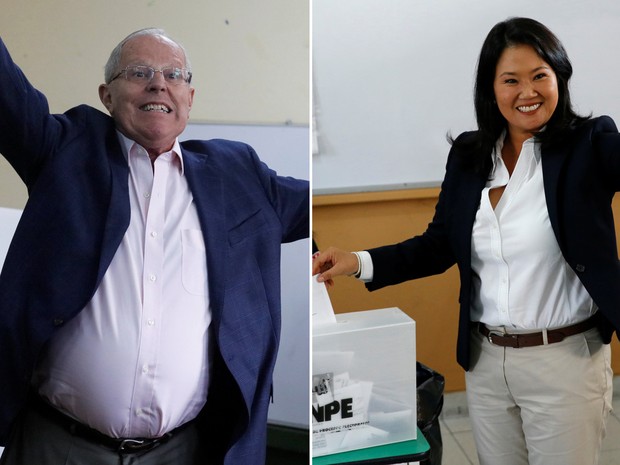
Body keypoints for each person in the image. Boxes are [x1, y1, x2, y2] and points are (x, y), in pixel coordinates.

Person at [313, 17, 619, 465]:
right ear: (491, 89)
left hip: (566, 361)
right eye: (511, 80)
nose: (527, 92)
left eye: (540, 76)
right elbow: (438, 245)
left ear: (560, 78)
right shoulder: (471, 155)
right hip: (487, 362)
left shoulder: (590, 144)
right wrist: (357, 261)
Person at [0, 28, 309, 465]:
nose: (158, 83)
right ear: (107, 95)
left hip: (184, 450)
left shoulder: (237, 173)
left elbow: (315, 204)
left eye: (174, 74)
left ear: (190, 96)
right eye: (139, 72)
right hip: (58, 444)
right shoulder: (66, 152)